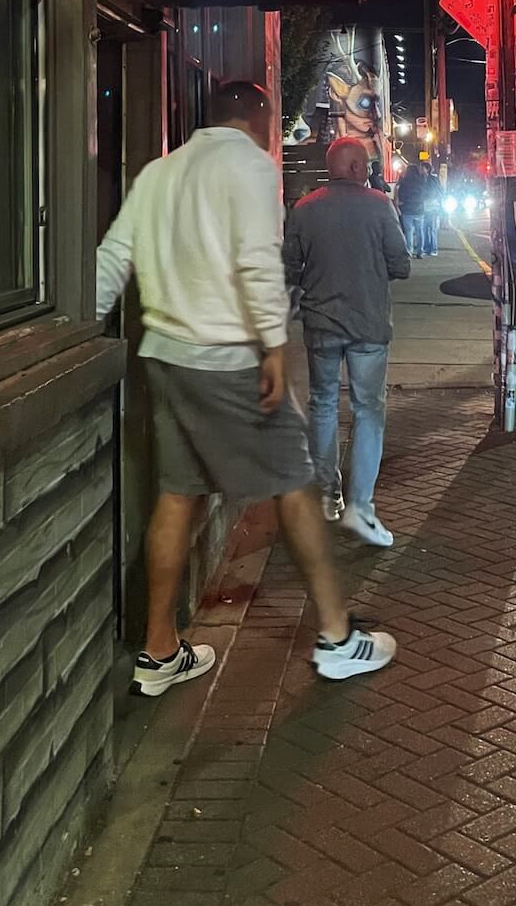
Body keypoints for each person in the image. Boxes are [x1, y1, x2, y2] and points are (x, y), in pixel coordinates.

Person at [96, 81, 395, 695]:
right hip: (228, 358)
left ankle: (159, 652)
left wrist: (76, 327)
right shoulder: (253, 168)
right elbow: (260, 260)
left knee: (178, 494)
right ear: (257, 120)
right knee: (294, 484)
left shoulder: (159, 172)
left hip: (164, 357)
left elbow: (111, 260)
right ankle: (338, 639)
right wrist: (274, 346)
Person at [284, 137, 411, 546]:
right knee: (368, 411)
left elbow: (289, 267)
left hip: (320, 324)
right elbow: (401, 265)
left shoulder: (304, 209)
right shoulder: (379, 205)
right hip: (368, 324)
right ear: (357, 168)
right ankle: (360, 507)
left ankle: (327, 496)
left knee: (323, 405)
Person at [395, 160, 428, 257]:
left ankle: (409, 250)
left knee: (409, 232)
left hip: (407, 210)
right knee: (420, 231)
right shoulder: (421, 181)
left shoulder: (404, 182)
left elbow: (400, 194)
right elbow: (425, 194)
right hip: (419, 209)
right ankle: (420, 252)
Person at [421, 165, 445, 256]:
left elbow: (438, 191)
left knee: (432, 228)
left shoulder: (433, 179)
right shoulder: (421, 179)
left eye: (422, 168)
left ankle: (434, 249)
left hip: (433, 206)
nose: (421, 170)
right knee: (425, 228)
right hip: (424, 206)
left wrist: (438, 201)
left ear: (427, 170)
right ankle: (427, 248)